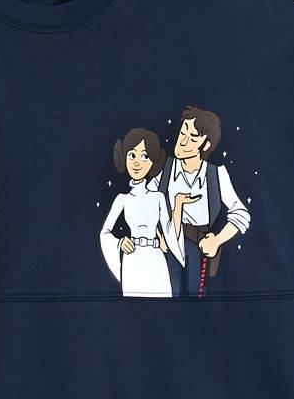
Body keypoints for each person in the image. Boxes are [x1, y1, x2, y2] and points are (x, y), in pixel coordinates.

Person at [151, 105, 251, 295]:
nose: (183, 141)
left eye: (193, 137)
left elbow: (241, 213)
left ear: (205, 145)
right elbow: (145, 203)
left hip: (200, 245)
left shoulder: (216, 174)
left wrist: (217, 240)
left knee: (197, 297)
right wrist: (158, 235)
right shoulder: (166, 170)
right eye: (183, 133)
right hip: (169, 243)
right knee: (167, 295)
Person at [99, 128, 190, 297]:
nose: (137, 163)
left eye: (144, 157)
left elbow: (169, 231)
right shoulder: (122, 199)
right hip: (132, 258)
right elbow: (105, 232)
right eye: (132, 155)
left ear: (152, 162)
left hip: (156, 258)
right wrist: (120, 243)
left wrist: (178, 206)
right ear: (124, 157)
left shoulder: (158, 197)